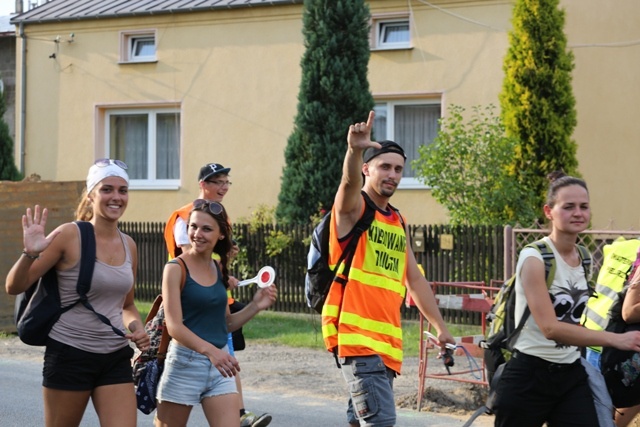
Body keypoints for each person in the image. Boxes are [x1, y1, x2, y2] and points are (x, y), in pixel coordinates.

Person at [324, 111, 456, 427]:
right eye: (385, 166)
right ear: (368, 169)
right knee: (380, 423)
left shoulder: (397, 221)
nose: (393, 175)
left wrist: (440, 327)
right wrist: (354, 151)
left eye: (398, 169)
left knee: (362, 423)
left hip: (385, 346)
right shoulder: (353, 210)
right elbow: (349, 182)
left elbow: (415, 280)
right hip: (357, 340)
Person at [5, 158, 150, 427]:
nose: (116, 197)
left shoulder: (129, 245)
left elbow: (126, 305)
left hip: (115, 356)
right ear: (91, 194)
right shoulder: (69, 235)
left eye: (122, 190)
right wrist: (29, 253)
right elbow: (14, 286)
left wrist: (137, 327)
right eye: (107, 189)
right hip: (70, 354)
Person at [490, 171, 640, 427]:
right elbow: (550, 328)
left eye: (584, 206)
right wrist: (616, 339)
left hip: (571, 374)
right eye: (568, 207)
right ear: (549, 211)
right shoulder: (535, 257)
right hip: (529, 375)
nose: (578, 213)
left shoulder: (583, 257)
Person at [163, 162, 272, 427]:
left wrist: (256, 306)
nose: (197, 234)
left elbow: (226, 324)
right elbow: (174, 326)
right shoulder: (175, 269)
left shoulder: (217, 269)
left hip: (219, 366)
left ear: (221, 235)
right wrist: (211, 352)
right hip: (185, 363)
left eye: (206, 229)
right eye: (193, 227)